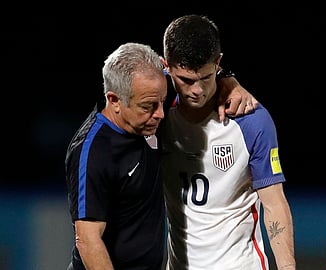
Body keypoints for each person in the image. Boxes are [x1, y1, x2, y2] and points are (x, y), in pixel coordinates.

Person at [65, 42, 258, 270]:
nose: (160, 113)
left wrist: (229, 80)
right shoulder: (93, 152)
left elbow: (193, 74)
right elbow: (88, 242)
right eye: (148, 106)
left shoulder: (148, 93)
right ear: (115, 100)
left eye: (162, 101)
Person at [159, 14, 296, 270]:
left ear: (218, 63)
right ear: (166, 66)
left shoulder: (252, 121)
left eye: (206, 77)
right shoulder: (158, 116)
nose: (196, 90)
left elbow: (274, 202)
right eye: (186, 80)